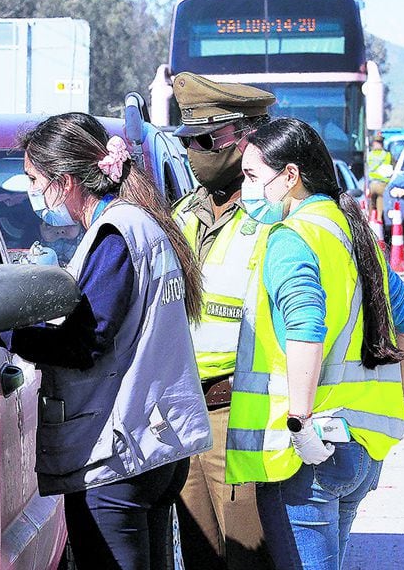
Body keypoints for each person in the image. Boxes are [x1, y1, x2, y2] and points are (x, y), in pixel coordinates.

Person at [9, 112, 212, 570]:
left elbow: (85, 344)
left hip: (120, 450)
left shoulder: (114, 235)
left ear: (64, 181)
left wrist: (3, 330)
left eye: (32, 179)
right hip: (153, 440)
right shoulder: (139, 224)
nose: (31, 192)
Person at [226, 118, 404, 569]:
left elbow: (305, 328)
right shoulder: (352, 231)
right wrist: (403, 399)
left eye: (253, 177)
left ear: (290, 176)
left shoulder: (292, 238)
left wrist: (299, 422)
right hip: (362, 447)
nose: (245, 190)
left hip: (308, 453)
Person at [171, 71, 276, 570]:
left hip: (241, 413)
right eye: (187, 140)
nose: (195, 151)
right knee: (200, 557)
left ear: (245, 136)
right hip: (184, 414)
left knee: (248, 557)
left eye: (207, 139)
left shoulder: (274, 218)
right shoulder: (183, 214)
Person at [367, 134, 394, 221]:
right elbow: (392, 167)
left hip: (371, 183)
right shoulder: (387, 155)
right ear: (382, 144)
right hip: (382, 183)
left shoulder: (369, 155)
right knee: (380, 200)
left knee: (371, 202)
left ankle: (370, 219)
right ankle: (379, 218)